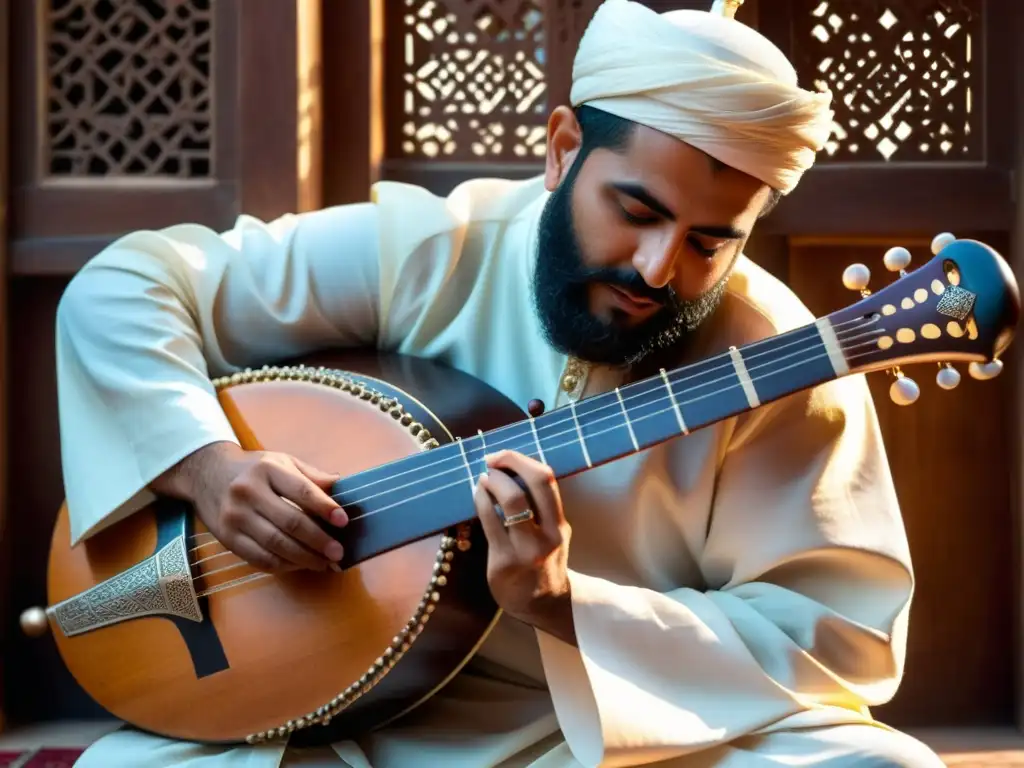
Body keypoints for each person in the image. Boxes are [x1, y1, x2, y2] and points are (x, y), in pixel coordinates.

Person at [56, 1, 944, 766]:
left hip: (600, 736)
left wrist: (566, 603)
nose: (655, 266)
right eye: (635, 210)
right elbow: (128, 285)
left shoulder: (782, 360)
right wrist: (208, 465)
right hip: (343, 723)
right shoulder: (431, 251)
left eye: (710, 242)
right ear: (562, 149)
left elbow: (836, 642)